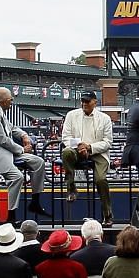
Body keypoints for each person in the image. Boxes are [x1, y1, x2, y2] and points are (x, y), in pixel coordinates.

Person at [0, 87, 47, 221]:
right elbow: (2, 139)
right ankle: (11, 216)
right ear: (4, 101)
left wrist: (24, 135)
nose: (12, 102)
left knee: (38, 163)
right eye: (11, 100)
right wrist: (22, 150)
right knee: (17, 177)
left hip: (6, 153)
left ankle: (35, 202)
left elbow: (12, 128)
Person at [60, 89, 114, 226]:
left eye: (87, 101)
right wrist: (79, 146)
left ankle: (107, 214)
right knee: (66, 152)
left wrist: (89, 147)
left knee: (101, 179)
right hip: (76, 149)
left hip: (98, 152)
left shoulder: (105, 118)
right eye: (82, 101)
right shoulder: (71, 115)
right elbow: (66, 137)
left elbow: (108, 142)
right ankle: (71, 189)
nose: (84, 103)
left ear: (95, 102)